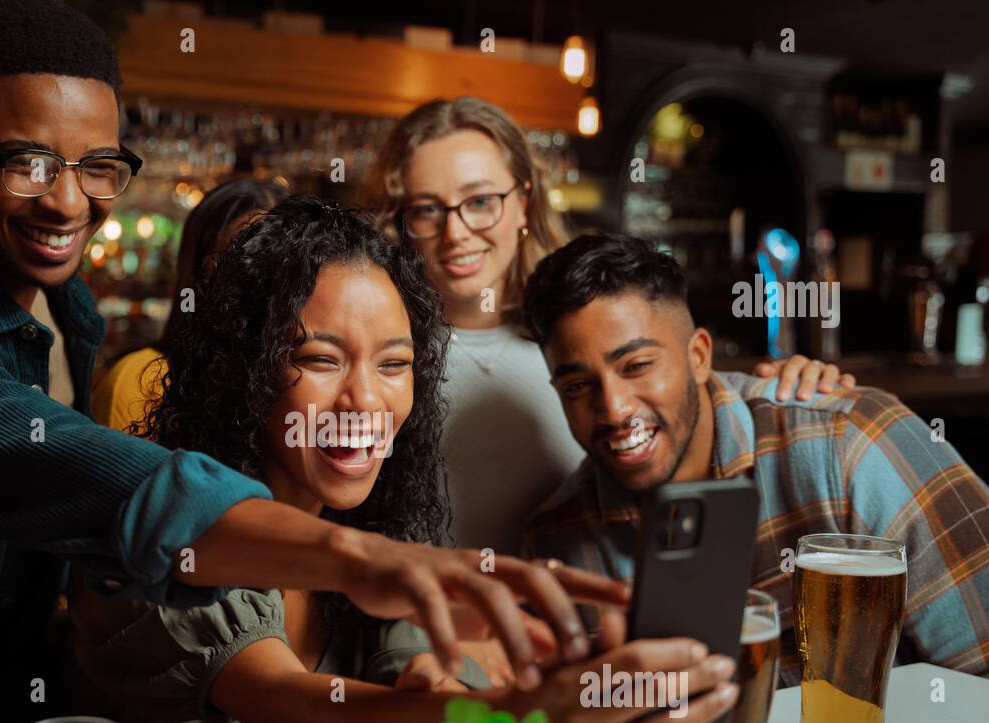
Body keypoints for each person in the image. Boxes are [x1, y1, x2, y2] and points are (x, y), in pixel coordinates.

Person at [0, 0, 618, 723]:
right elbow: (102, 487)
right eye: (29, 160)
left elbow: (409, 688)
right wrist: (370, 568)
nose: (67, 199)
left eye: (99, 165)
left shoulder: (71, 308)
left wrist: (458, 685)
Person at [70, 197, 740, 723]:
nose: (365, 403)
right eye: (320, 358)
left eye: (394, 364)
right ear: (246, 373)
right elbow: (298, 712)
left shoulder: (378, 531)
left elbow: (417, 692)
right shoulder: (169, 534)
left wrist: (453, 690)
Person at [364, 96, 854, 557]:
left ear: (523, 203)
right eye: (427, 209)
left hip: (581, 626)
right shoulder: (380, 362)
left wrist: (801, 385)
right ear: (400, 221)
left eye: (479, 201)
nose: (456, 232)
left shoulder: (581, 330)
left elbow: (693, 406)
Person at [523, 233, 989, 681]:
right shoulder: (558, 544)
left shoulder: (851, 444)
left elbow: (981, 661)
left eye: (637, 366)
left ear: (700, 356)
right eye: (578, 386)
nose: (614, 408)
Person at [92, 177, 290, 433]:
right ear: (200, 272)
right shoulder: (142, 381)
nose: (265, 278)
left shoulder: (306, 381)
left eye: (284, 259)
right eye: (243, 258)